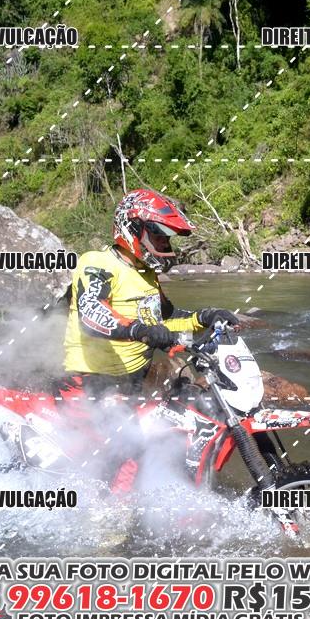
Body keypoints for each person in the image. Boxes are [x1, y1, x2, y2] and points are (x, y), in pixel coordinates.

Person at [61, 189, 239, 492]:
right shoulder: (98, 262)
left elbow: (167, 319)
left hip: (130, 383)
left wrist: (206, 317)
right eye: (159, 236)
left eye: (167, 239)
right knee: (129, 451)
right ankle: (109, 517)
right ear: (133, 229)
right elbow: (91, 312)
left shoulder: (145, 274)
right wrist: (140, 331)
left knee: (182, 422)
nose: (165, 245)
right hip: (90, 382)